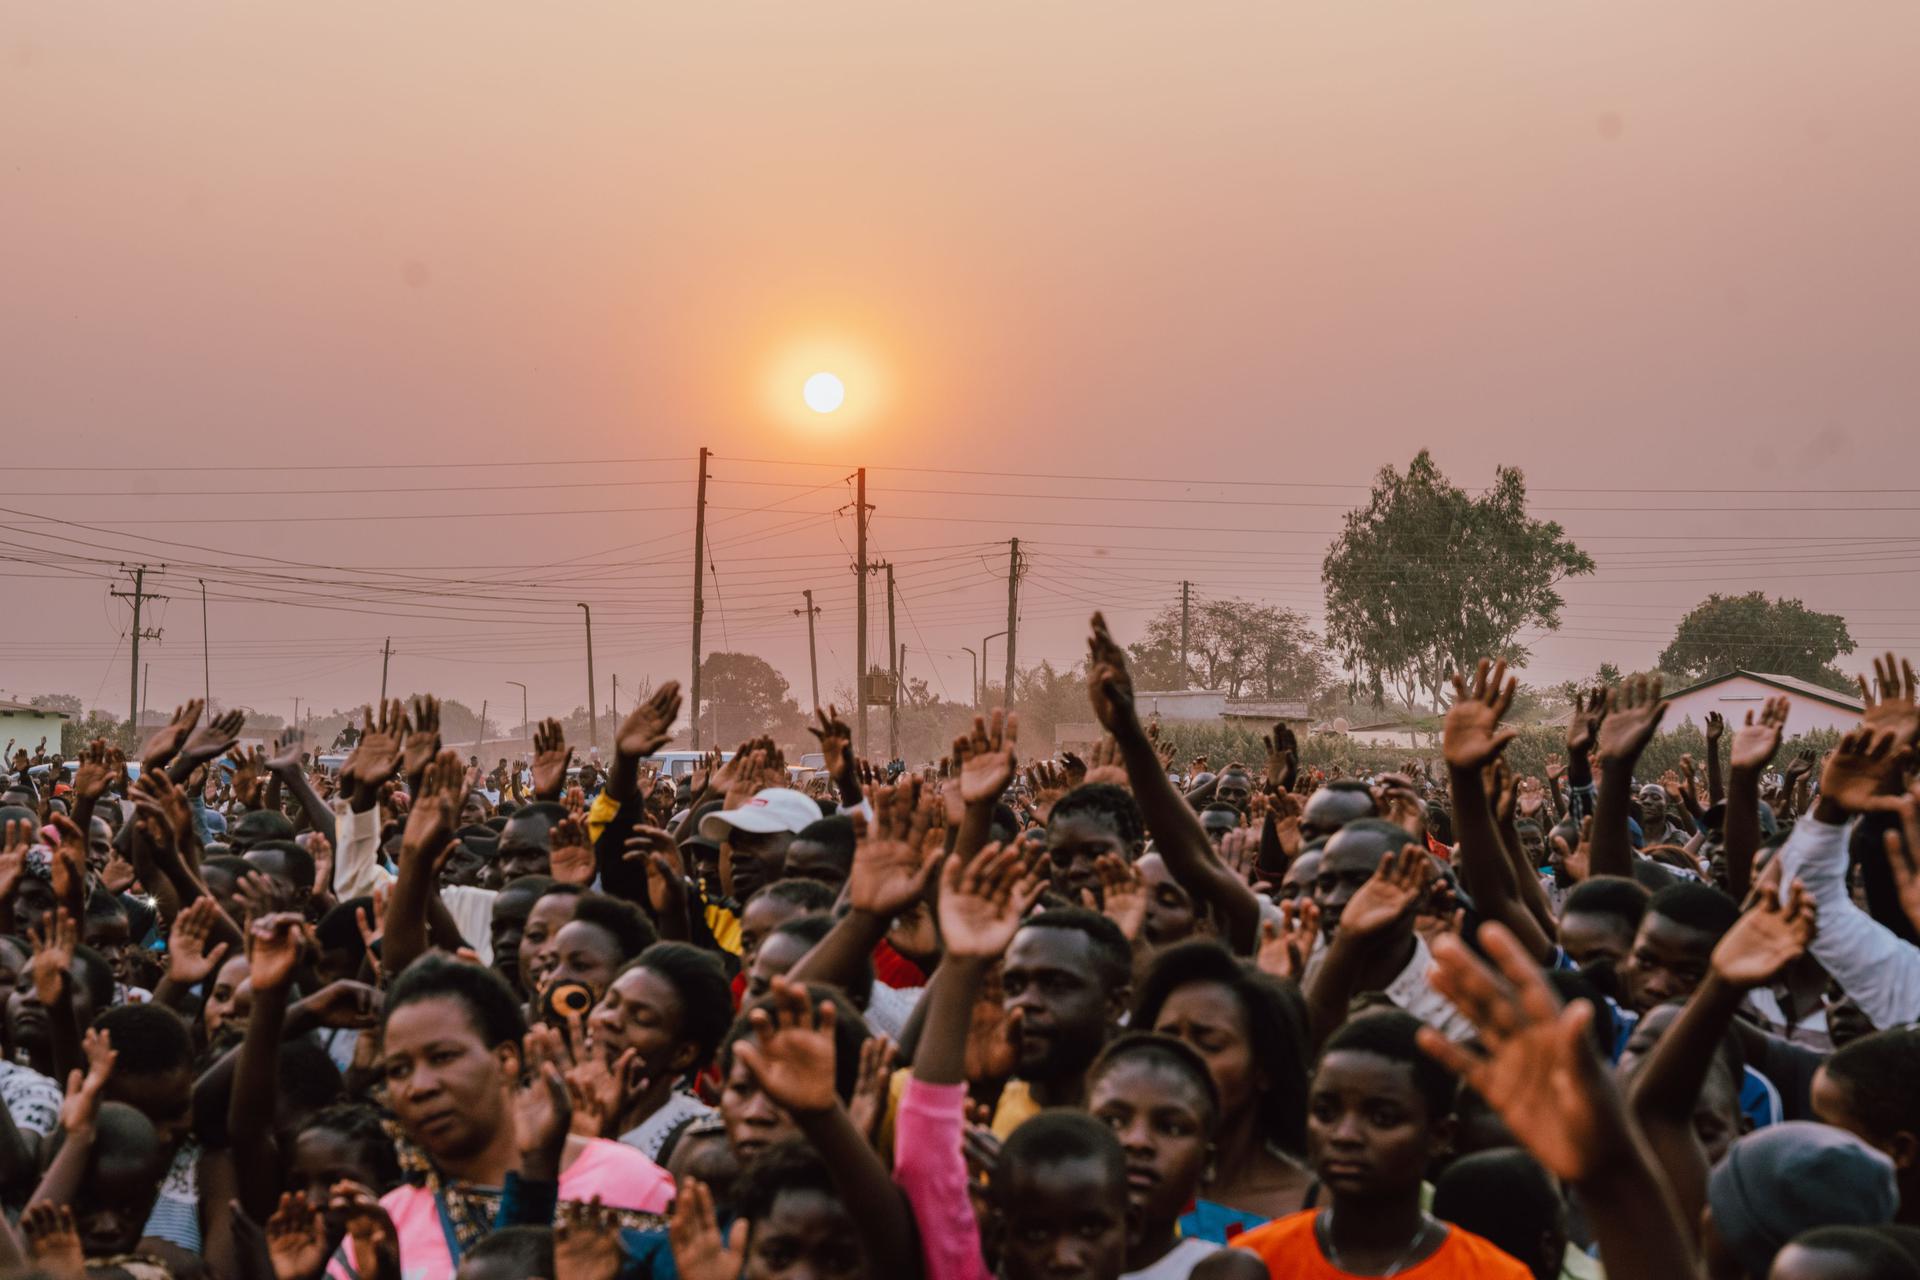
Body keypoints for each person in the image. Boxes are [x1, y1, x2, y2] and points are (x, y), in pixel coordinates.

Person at [369, 954, 674, 1280]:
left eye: (443, 1057)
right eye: (399, 1070)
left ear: (506, 1059)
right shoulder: (382, 1229)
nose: (419, 1087)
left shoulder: (627, 1180)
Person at [1224, 1010, 1532, 1279]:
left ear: (1440, 1136)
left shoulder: (1492, 1274)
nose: (1344, 1135)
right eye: (1325, 1112)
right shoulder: (1253, 1262)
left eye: (1382, 1118)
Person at [1132, 940, 1311, 1241]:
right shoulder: (1122, 1184)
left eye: (1209, 1044)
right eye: (1167, 1038)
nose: (1182, 1057)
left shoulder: (1313, 1209)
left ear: (1263, 1068)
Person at [1086, 1032, 1223, 1278]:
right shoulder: (1028, 1262)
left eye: (1171, 1127)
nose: (1137, 1141)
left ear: (1208, 1163)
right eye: (1113, 1121)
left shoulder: (1220, 1271)